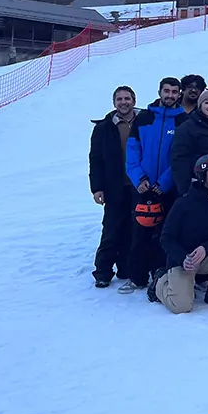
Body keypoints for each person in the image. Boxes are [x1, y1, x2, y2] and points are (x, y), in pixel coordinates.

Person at [152, 154, 208, 313]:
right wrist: (183, 259)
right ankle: (159, 283)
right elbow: (166, 238)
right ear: (202, 175)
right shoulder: (184, 203)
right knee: (181, 307)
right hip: (184, 261)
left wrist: (205, 248)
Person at [121, 77, 185, 293]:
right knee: (139, 233)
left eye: (174, 92)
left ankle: (161, 274)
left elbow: (180, 156)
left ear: (179, 94)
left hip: (168, 188)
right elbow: (132, 151)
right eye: (166, 91)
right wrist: (139, 179)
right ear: (159, 91)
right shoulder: (144, 118)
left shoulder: (183, 121)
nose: (170, 95)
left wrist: (165, 182)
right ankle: (137, 277)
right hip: (143, 187)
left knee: (165, 233)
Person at [89, 85, 137, 287]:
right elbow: (96, 159)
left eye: (127, 98)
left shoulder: (142, 122)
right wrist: (97, 187)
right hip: (114, 186)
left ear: (133, 101)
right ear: (114, 102)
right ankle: (103, 271)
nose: (123, 102)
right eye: (119, 99)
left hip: (137, 186)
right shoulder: (104, 127)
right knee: (111, 229)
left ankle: (125, 267)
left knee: (132, 229)